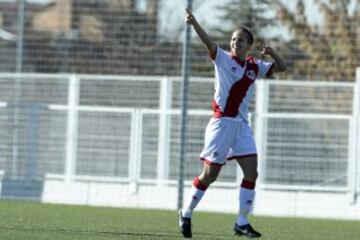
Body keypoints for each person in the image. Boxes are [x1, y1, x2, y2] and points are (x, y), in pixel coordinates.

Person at [178, 8, 288, 239]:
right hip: (221, 125)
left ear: (249, 45)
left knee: (251, 173)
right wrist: (195, 22)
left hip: (241, 127)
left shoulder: (254, 66)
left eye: (241, 40)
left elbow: (283, 67)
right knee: (210, 174)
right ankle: (186, 212)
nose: (236, 42)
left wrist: (272, 53)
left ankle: (241, 222)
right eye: (233, 39)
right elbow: (208, 42)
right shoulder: (222, 59)